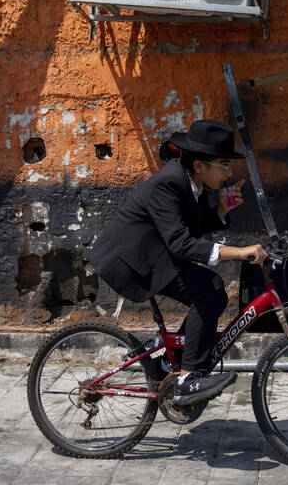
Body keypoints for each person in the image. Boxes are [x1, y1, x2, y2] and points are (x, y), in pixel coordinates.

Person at [89, 119, 268, 405]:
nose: (229, 173)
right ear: (199, 165)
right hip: (135, 263)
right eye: (224, 165)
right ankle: (187, 379)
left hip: (156, 255)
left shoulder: (189, 183)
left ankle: (164, 368)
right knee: (210, 287)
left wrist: (222, 208)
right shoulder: (169, 183)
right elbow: (181, 243)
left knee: (214, 296)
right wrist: (239, 251)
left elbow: (187, 231)